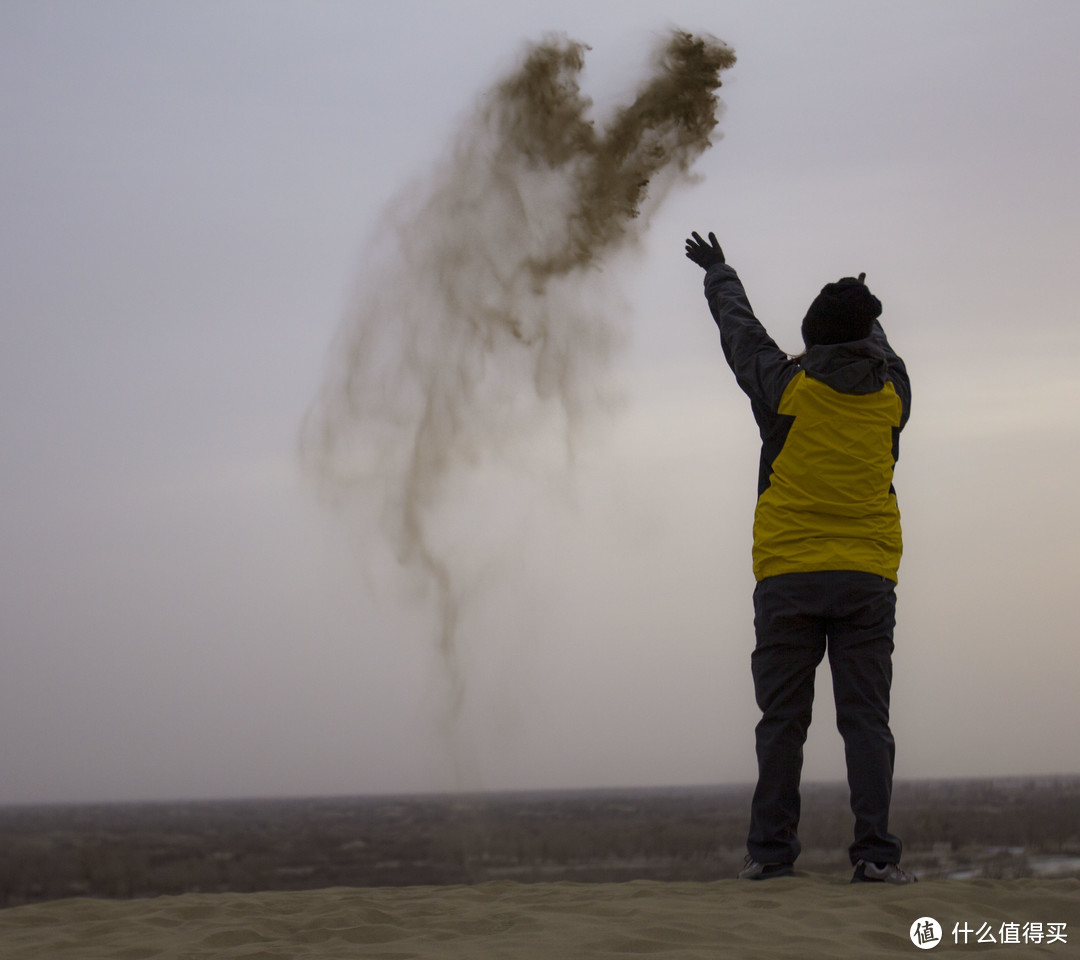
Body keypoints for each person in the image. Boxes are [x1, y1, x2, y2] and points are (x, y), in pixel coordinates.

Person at [684, 231, 915, 884]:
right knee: (867, 723)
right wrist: (863, 306)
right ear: (868, 337)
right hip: (867, 580)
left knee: (782, 724)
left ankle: (770, 858)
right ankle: (874, 856)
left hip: (787, 579)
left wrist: (718, 271)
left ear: (811, 341)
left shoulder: (785, 390)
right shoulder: (893, 395)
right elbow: (874, 344)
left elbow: (742, 335)